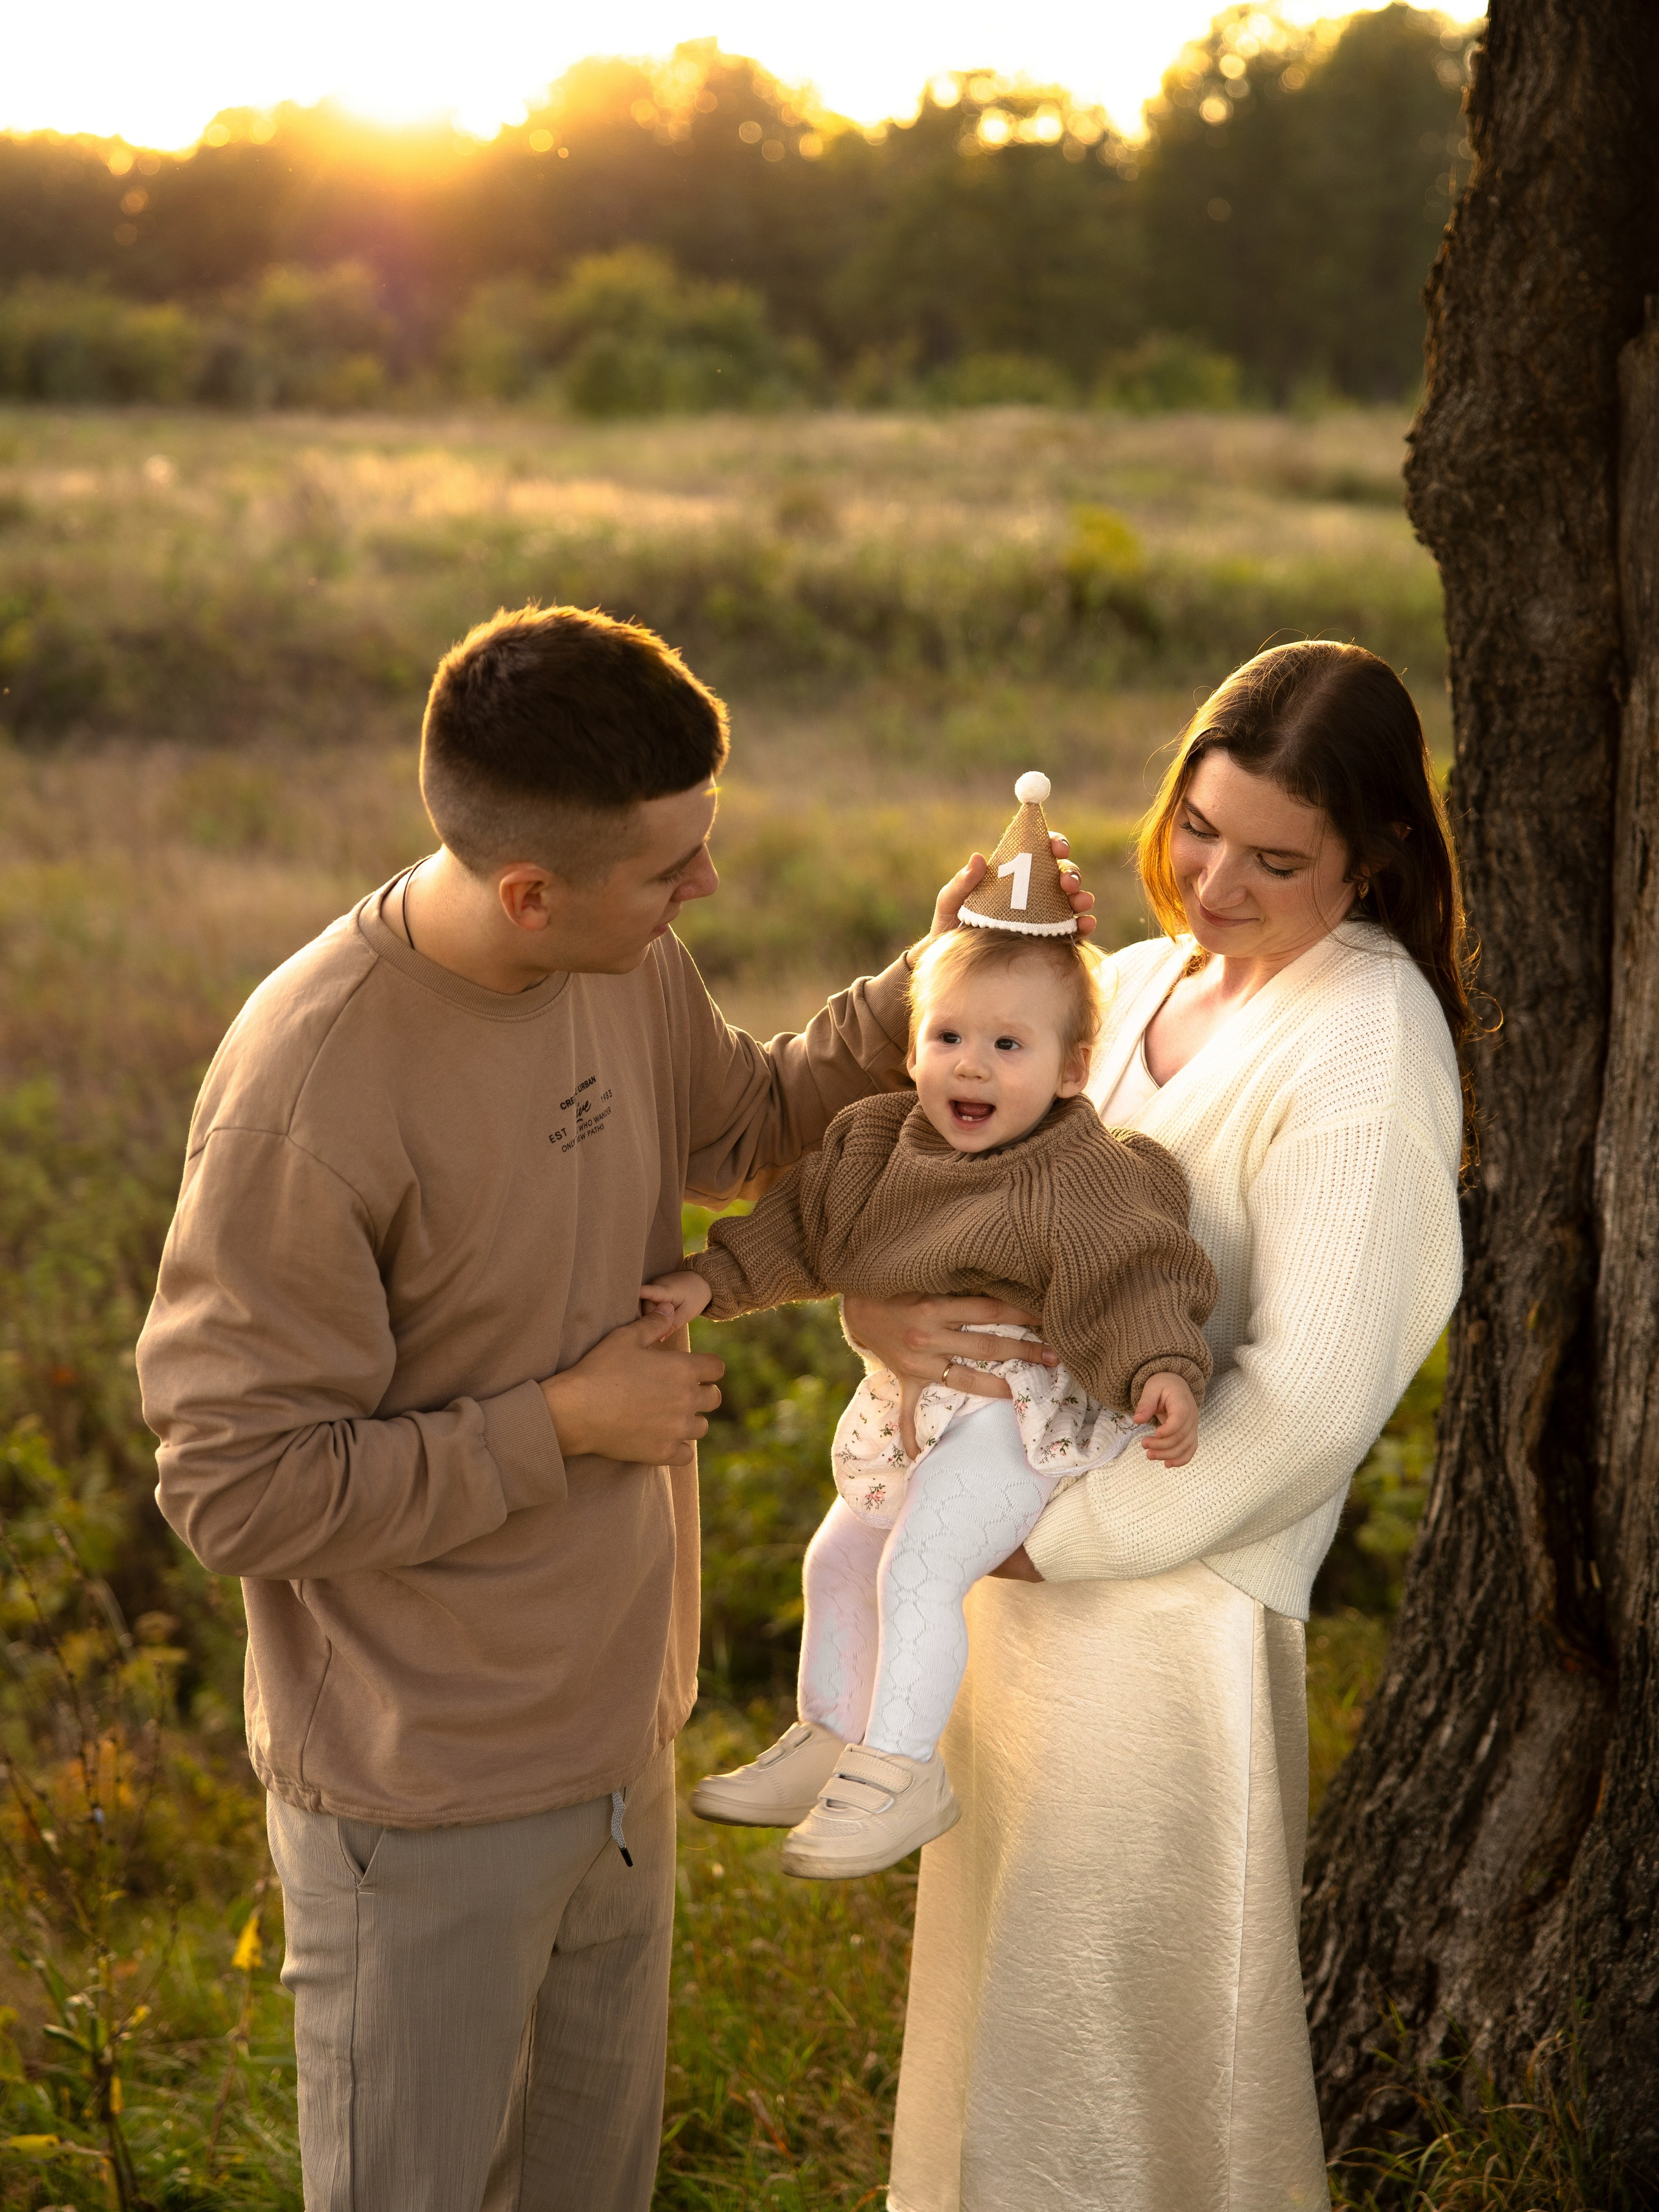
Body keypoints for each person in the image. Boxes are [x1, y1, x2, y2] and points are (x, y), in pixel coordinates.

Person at [135, 601, 1095, 2212]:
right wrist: (563, 1421)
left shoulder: (621, 959)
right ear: (530, 890)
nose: (700, 890)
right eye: (669, 869)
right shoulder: (308, 1097)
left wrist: (932, 975)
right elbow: (235, 1491)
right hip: (423, 1794)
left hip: (616, 1747)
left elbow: (742, 1129)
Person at [845, 641, 1470, 2211]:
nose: (1214, 881)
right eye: (1197, 827)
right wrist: (878, 1319)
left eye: (1276, 858)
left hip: (1163, 1599)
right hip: (1007, 1577)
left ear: (1373, 856)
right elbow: (942, 1179)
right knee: (998, 2020)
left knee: (1114, 2053)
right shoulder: (1127, 989)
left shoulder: (1364, 1043)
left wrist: (1063, 1540)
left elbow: (1316, 1390)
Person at [640, 780, 1216, 1881]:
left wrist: (1161, 1370)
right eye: (949, 1035)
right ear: (914, 1044)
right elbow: (801, 1229)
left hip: (1014, 1419)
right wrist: (710, 1282)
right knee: (840, 1553)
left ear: (1071, 1070)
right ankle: (831, 1732)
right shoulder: (875, 1142)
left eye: (1009, 1044)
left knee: (920, 1563)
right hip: (921, 1409)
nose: (972, 1064)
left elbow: (1137, 1276)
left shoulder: (1081, 1174)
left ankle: (903, 1769)